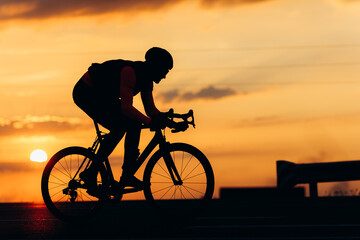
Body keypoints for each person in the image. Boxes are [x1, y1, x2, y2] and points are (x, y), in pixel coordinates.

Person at [72, 47, 173, 194]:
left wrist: (170, 121)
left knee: (133, 124)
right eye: (165, 70)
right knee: (122, 127)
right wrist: (149, 122)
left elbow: (151, 111)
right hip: (86, 91)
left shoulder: (147, 80)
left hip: (103, 95)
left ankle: (126, 175)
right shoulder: (129, 72)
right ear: (155, 66)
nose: (164, 76)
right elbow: (127, 109)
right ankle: (92, 173)